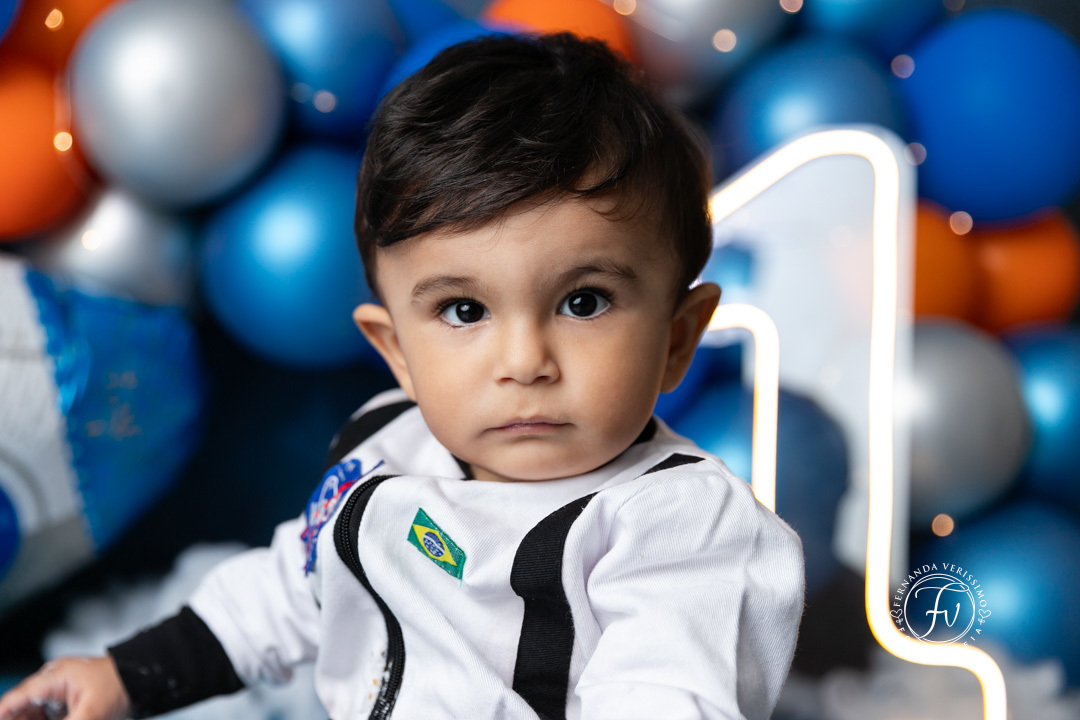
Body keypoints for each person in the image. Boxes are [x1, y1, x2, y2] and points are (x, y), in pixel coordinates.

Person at [0, 32, 804, 720]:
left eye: (583, 301)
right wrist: (128, 676)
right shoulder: (389, 444)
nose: (524, 362)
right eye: (464, 311)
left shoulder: (676, 527)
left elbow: (664, 697)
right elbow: (291, 590)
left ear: (677, 337)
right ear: (396, 353)